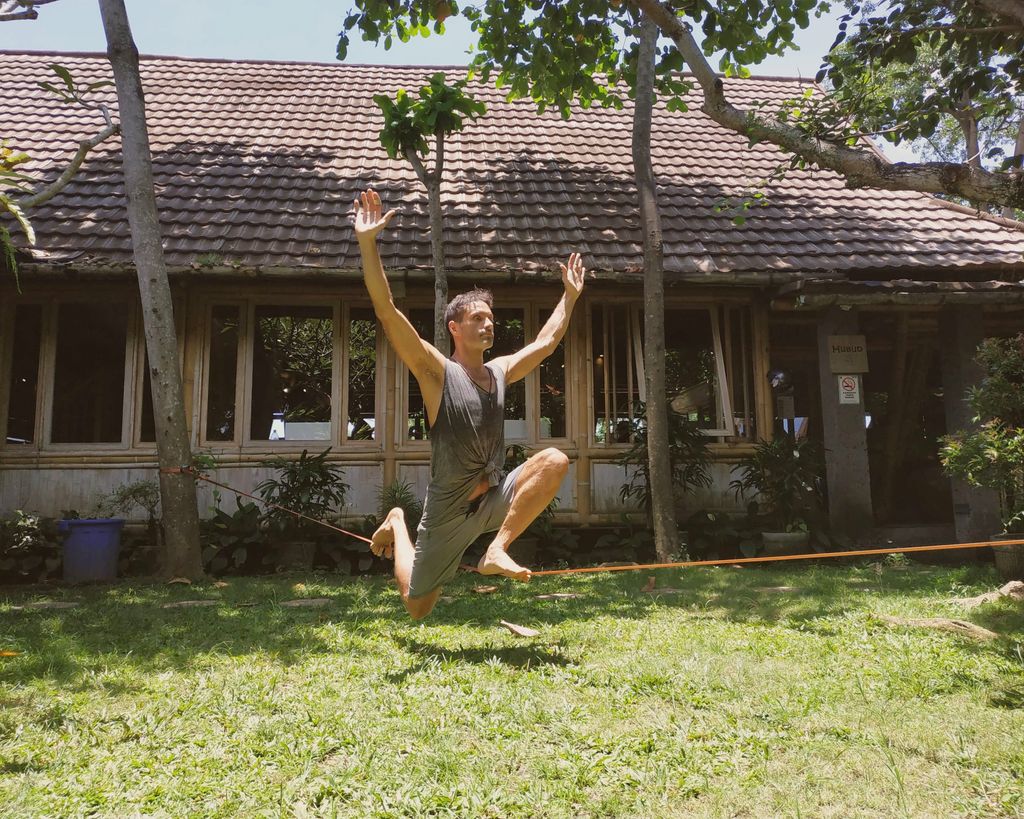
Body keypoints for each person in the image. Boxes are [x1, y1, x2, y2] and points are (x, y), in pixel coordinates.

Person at [353, 188, 586, 619]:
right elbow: (386, 311)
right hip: (447, 510)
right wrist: (368, 243)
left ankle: (496, 550)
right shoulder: (436, 372)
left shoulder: (499, 371)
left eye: (491, 319)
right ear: (454, 327)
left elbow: (547, 342)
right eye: (477, 318)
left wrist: (568, 298)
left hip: (492, 496)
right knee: (417, 607)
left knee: (554, 458)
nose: (488, 324)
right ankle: (399, 522)